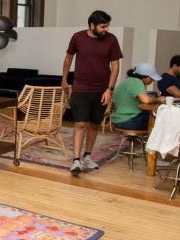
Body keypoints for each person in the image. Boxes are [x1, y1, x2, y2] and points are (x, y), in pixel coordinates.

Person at [61, 10, 123, 176]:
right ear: (92, 25)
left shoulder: (111, 40)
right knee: (81, 123)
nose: (106, 29)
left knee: (94, 124)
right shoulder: (77, 37)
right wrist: (64, 79)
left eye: (107, 26)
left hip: (102, 89)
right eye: (103, 26)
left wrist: (109, 90)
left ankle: (87, 155)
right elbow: (68, 58)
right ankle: (75, 160)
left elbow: (115, 67)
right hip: (81, 87)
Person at [112, 63, 162, 131]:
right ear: (144, 76)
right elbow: (146, 100)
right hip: (127, 121)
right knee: (161, 120)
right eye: (151, 78)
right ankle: (155, 141)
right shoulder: (137, 82)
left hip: (117, 119)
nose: (152, 81)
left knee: (153, 115)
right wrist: (158, 100)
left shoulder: (129, 80)